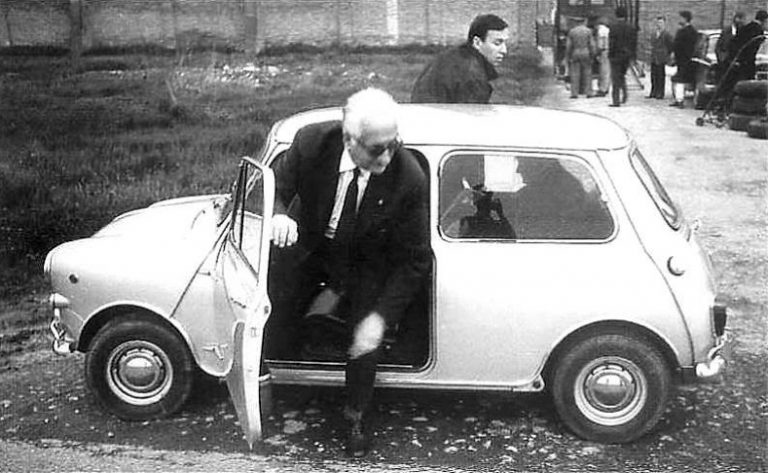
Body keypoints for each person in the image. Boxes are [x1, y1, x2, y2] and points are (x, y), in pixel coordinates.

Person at [271, 88, 430, 457]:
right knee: (273, 299)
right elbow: (272, 186)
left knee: (365, 334)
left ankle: (355, 415)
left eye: (394, 144)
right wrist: (279, 213)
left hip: (367, 260)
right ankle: (276, 376)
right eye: (377, 149)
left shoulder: (409, 177)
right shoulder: (311, 143)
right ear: (348, 140)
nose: (387, 157)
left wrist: (380, 319)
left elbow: (416, 260)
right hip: (313, 247)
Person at [411, 14, 508, 103]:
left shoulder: (454, 56)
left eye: (504, 43)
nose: (504, 50)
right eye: (497, 43)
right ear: (477, 43)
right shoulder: (472, 74)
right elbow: (472, 114)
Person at [608, 6, 637, 107]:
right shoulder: (631, 28)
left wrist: (610, 54)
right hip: (627, 56)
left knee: (616, 78)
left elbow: (612, 43)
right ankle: (624, 95)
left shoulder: (613, 27)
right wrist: (632, 55)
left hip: (616, 55)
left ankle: (616, 100)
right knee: (622, 75)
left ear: (616, 15)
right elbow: (634, 43)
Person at [669, 10, 698, 107]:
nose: (679, 19)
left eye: (681, 18)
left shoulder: (686, 31)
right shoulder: (690, 31)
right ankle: (679, 99)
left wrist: (675, 53)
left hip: (684, 59)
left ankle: (680, 100)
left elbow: (679, 44)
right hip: (683, 58)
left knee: (681, 79)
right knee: (680, 79)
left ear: (685, 19)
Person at [732, 10, 768, 82]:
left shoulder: (746, 27)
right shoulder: (757, 30)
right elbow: (751, 48)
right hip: (747, 64)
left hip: (738, 62)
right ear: (765, 20)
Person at [566, 17, 596, 98]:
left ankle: (574, 93)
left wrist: (568, 56)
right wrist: (593, 54)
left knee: (575, 73)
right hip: (586, 52)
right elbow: (592, 44)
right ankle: (588, 92)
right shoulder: (588, 31)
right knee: (587, 73)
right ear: (584, 22)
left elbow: (569, 45)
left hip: (575, 52)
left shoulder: (572, 31)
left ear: (576, 22)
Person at [648, 16, 674, 99]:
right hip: (654, 56)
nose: (659, 24)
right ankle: (653, 91)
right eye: (658, 22)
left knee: (660, 75)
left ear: (664, 24)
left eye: (661, 23)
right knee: (653, 75)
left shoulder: (667, 34)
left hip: (661, 57)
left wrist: (668, 54)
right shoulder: (654, 33)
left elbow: (670, 45)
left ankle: (660, 92)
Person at [594, 17, 611, 97]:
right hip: (608, 51)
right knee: (607, 71)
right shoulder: (607, 30)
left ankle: (602, 89)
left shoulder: (600, 31)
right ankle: (606, 87)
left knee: (603, 71)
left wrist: (597, 53)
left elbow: (600, 44)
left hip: (603, 52)